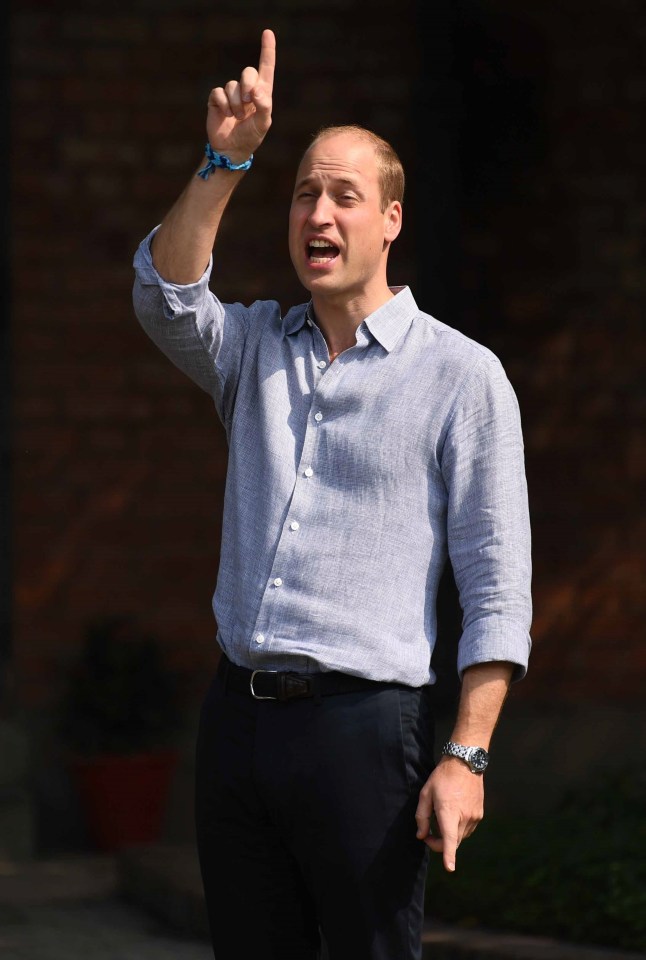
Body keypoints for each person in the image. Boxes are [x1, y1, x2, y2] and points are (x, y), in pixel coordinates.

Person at [132, 28, 531, 960]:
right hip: (237, 727)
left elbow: (497, 587)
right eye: (306, 190)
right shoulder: (257, 349)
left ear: (391, 219)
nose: (319, 209)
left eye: (344, 194)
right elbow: (165, 296)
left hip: (365, 734)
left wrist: (466, 754)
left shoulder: (462, 378)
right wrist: (227, 160)